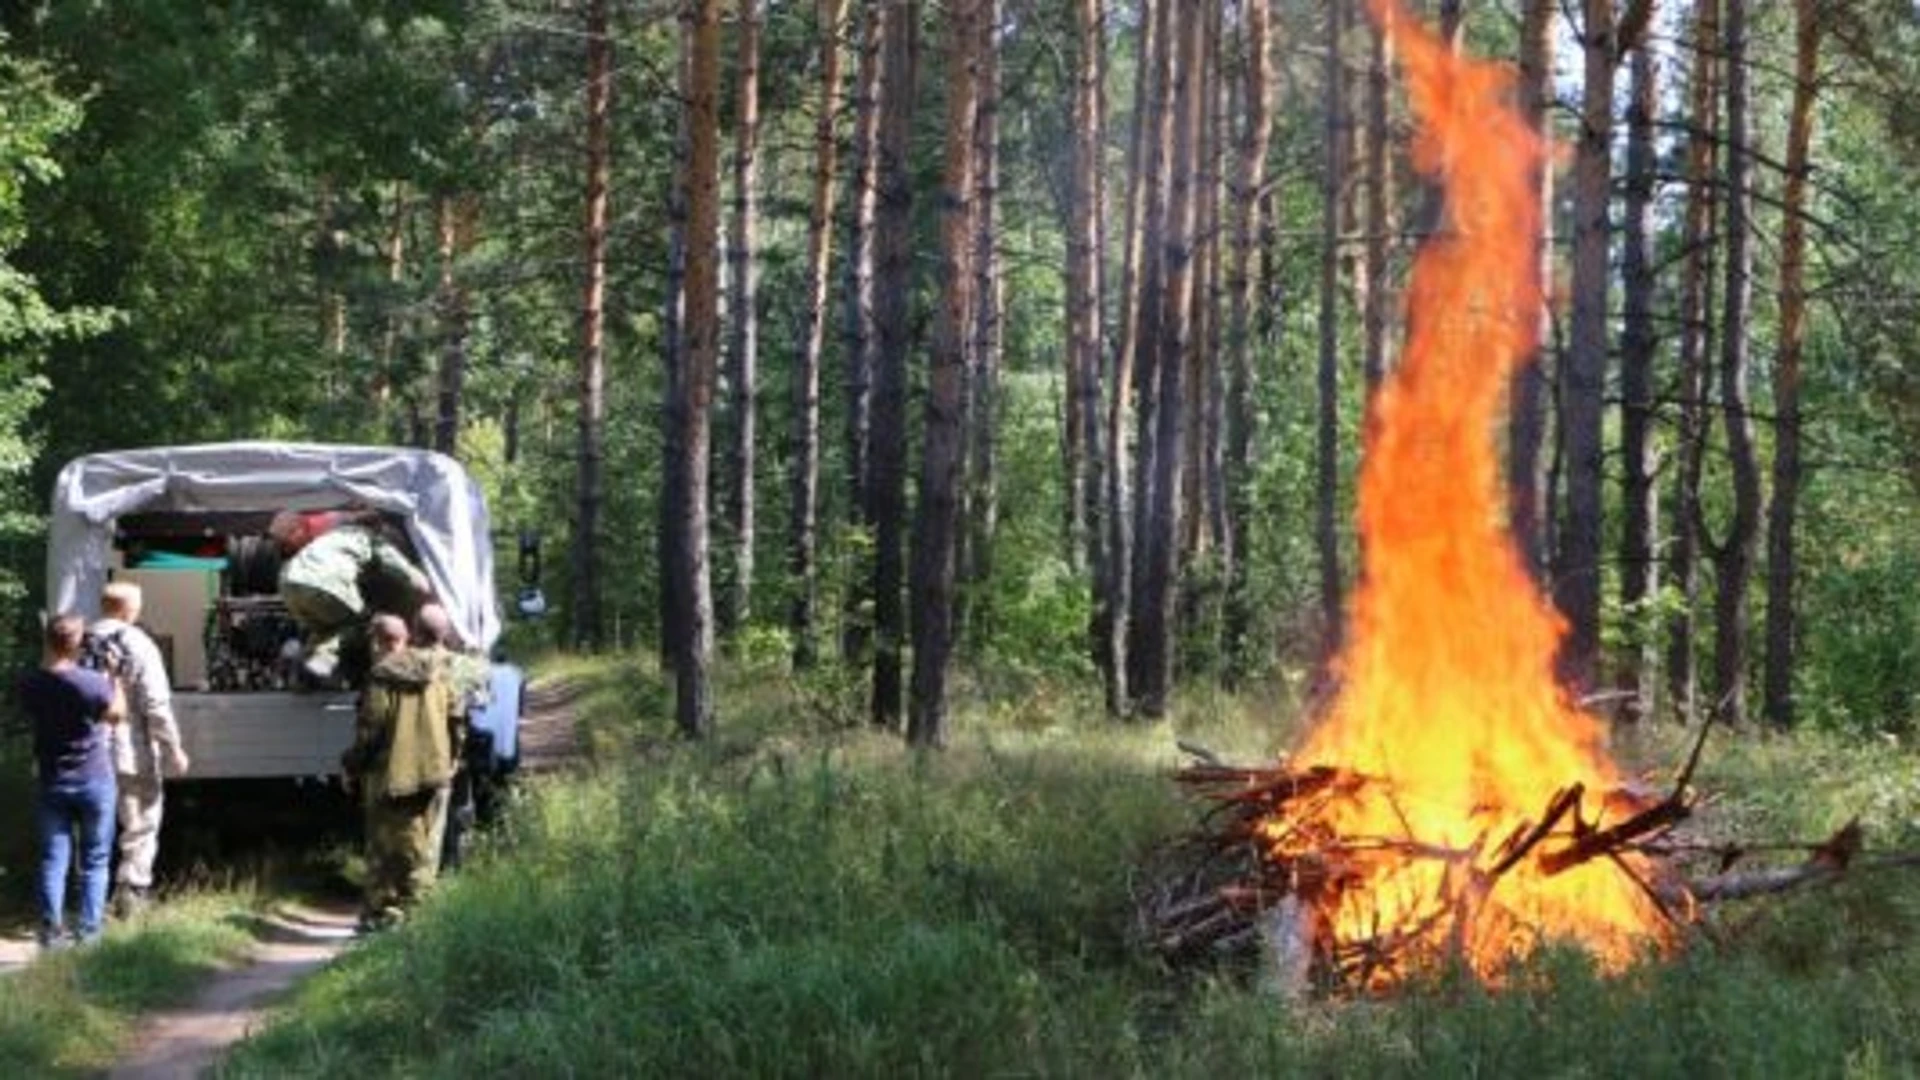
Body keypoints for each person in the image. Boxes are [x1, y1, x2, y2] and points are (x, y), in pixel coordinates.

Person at [342, 613, 456, 931]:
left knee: (384, 851)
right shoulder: (439, 669)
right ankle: (421, 918)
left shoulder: (381, 676)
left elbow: (372, 730)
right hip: (435, 773)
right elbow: (456, 715)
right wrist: (451, 760)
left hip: (392, 775)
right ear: (405, 637)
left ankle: (381, 917)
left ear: (379, 642)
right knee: (423, 849)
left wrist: (351, 764)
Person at [17, 614, 123, 948]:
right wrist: (114, 677)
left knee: (53, 859)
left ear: (47, 641)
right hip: (94, 778)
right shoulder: (93, 682)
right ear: (78, 644)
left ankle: (50, 934)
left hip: (52, 780)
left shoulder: (29, 682)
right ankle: (89, 935)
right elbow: (116, 715)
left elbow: (37, 685)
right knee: (95, 860)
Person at [93, 581, 191, 917]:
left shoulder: (77, 640)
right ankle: (130, 895)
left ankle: (90, 897)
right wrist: (174, 748)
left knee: (91, 825)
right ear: (127, 609)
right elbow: (156, 704)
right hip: (129, 752)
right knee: (140, 823)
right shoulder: (138, 643)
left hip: (85, 753)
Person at [271, 510, 433, 685]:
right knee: (362, 624)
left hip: (288, 584)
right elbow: (404, 571)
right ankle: (321, 665)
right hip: (324, 583)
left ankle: (305, 669)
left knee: (324, 630)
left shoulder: (334, 535)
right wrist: (427, 588)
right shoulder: (369, 538)